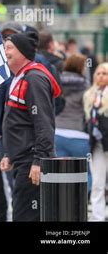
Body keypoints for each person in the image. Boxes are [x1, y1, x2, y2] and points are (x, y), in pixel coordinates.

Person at [0, 30, 61, 221]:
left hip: (31, 162)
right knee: (23, 213)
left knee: (26, 216)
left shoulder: (34, 78)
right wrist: (10, 154)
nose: (5, 51)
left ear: (23, 52)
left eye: (9, 47)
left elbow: (44, 123)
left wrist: (38, 161)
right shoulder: (20, 77)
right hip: (23, 161)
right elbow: (20, 121)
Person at [55, 54, 91, 191]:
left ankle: (63, 205)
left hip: (57, 132)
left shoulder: (56, 82)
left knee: (58, 173)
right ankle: (80, 203)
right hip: (79, 134)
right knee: (84, 173)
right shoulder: (86, 86)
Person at [83, 63, 108, 221]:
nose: (100, 76)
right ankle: (98, 216)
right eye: (98, 73)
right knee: (98, 182)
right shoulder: (89, 95)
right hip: (97, 145)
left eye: (104, 73)